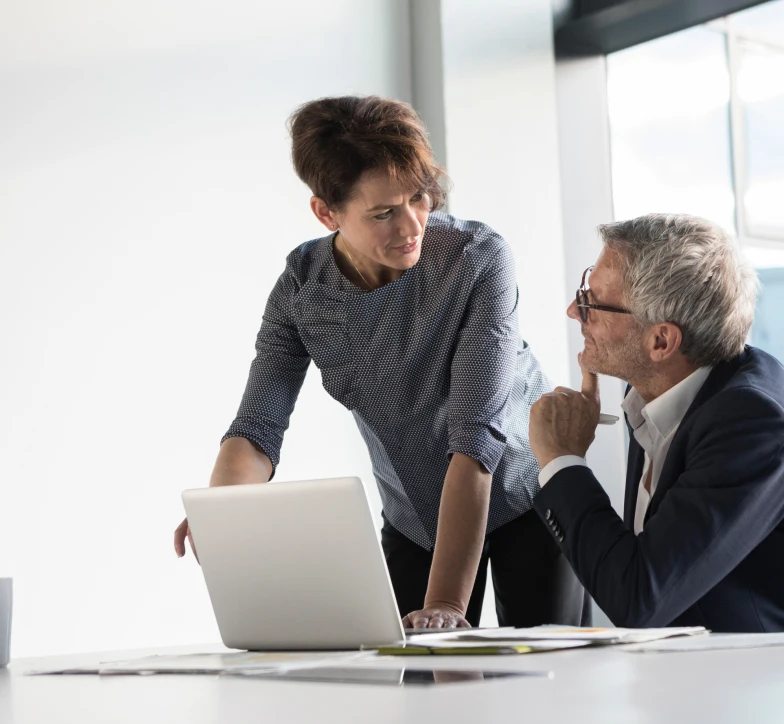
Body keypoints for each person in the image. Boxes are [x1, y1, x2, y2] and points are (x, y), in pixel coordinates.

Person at [174, 95, 589, 630]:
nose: (413, 224)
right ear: (327, 212)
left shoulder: (478, 259)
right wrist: (222, 516)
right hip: (413, 514)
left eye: (419, 198)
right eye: (383, 213)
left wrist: (446, 605)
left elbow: (475, 440)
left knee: (542, 683)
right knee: (412, 690)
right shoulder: (302, 291)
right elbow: (257, 428)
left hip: (523, 494)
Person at [528, 213, 784, 633]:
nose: (573, 311)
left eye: (592, 304)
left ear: (661, 341)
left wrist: (562, 461)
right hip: (701, 670)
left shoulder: (755, 424)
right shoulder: (651, 391)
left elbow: (638, 597)